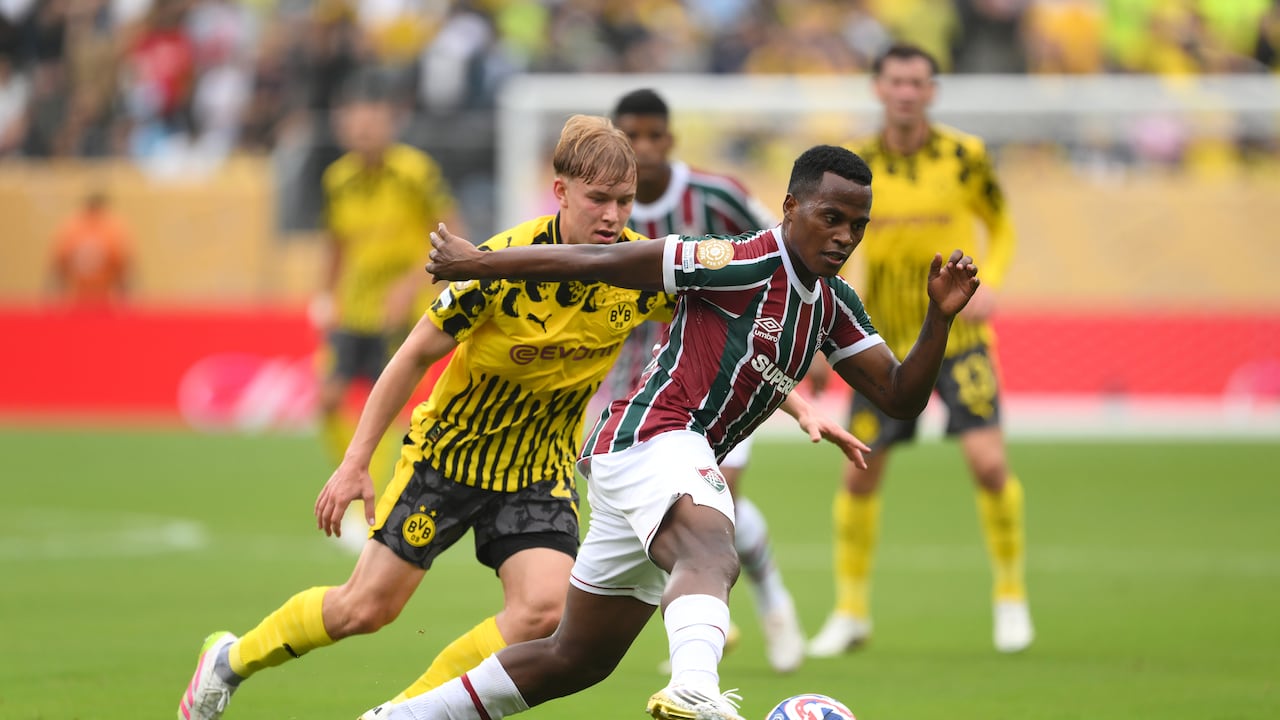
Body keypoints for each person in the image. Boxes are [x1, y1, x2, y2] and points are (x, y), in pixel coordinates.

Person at [176, 116, 853, 720]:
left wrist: (796, 403)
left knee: (542, 612)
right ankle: (232, 659)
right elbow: (412, 356)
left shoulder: (634, 268)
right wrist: (355, 462)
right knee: (367, 608)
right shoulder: (503, 265)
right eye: (599, 200)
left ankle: (406, 714)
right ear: (560, 193)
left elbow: (718, 339)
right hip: (448, 456)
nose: (615, 215)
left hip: (538, 469)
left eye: (624, 201)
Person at [381, 143, 981, 720]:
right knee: (712, 548)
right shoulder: (738, 260)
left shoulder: (833, 304)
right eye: (831, 217)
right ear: (792, 208)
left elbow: (902, 396)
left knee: (575, 658)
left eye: (857, 224)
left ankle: (400, 717)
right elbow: (606, 261)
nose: (845, 236)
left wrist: (939, 317)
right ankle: (694, 690)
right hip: (653, 437)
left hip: (646, 463)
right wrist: (478, 263)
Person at [806, 43, 1032, 658]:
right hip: (884, 343)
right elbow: (832, 246)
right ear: (878, 88)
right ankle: (850, 612)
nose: (906, 92)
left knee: (988, 464)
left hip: (960, 340)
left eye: (917, 82)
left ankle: (1010, 597)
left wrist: (996, 282)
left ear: (932, 91)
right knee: (860, 475)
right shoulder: (858, 167)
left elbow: (1003, 222)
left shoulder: (966, 157)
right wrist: (830, 338)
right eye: (896, 81)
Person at [607, 87, 804, 674]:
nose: (642, 149)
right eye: (630, 137)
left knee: (718, 503)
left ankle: (765, 605)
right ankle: (699, 619)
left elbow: (787, 249)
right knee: (658, 513)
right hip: (630, 383)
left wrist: (804, 333)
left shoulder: (714, 196)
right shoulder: (601, 207)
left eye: (652, 136)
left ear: (670, 139)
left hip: (718, 375)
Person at [312, 74, 463, 546]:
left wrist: (415, 282)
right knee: (329, 399)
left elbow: (450, 234)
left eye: (372, 124)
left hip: (403, 311)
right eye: (355, 125)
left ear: (388, 125)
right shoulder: (338, 180)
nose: (364, 133)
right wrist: (324, 293)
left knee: (389, 405)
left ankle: (376, 497)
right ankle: (355, 483)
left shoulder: (415, 172)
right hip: (355, 308)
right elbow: (336, 242)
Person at [48, 191, 133, 306]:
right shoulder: (111, 230)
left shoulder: (72, 228)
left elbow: (123, 269)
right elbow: (59, 267)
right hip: (82, 298)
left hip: (100, 299)